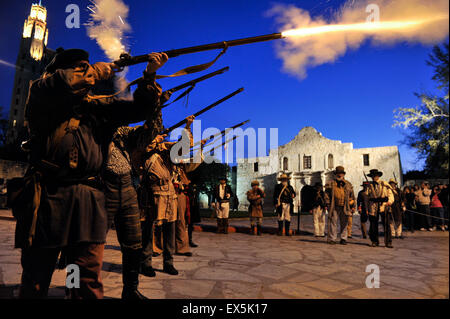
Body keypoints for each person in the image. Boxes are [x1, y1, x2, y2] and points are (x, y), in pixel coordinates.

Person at [17, 48, 163, 299]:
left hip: (90, 198)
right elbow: (63, 82)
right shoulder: (42, 91)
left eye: (87, 67)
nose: (85, 73)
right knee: (37, 278)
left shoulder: (97, 106)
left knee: (87, 279)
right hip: (50, 194)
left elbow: (137, 111)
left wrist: (149, 76)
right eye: (79, 67)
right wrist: (95, 69)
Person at [140, 135, 179, 276]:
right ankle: (146, 263)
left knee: (170, 230)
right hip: (153, 194)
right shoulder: (147, 155)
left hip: (169, 195)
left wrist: (187, 126)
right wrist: (155, 141)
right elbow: (144, 147)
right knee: (148, 231)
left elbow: (183, 148)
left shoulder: (167, 157)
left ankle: (168, 262)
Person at [324, 166, 355, 245]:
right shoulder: (331, 184)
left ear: (343, 174)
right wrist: (327, 204)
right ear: (335, 174)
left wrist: (353, 206)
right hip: (334, 206)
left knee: (344, 223)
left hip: (345, 206)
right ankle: (332, 238)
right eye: (338, 173)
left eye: (341, 173)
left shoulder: (348, 184)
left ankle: (343, 238)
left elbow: (352, 196)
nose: (340, 175)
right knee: (333, 222)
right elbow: (326, 195)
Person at [366, 169, 394, 248]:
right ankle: (374, 241)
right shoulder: (369, 186)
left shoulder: (384, 184)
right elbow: (367, 197)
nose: (374, 177)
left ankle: (388, 242)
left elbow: (390, 195)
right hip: (373, 206)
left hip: (383, 205)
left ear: (378, 176)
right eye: (372, 176)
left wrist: (390, 202)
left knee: (386, 224)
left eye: (375, 176)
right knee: (373, 225)